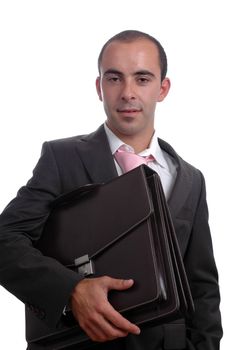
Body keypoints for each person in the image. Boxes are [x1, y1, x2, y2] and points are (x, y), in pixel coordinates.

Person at [0, 30, 222, 350]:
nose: (128, 93)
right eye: (114, 78)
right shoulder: (62, 158)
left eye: (142, 79)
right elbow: (5, 240)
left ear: (163, 88)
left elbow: (203, 287)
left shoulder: (191, 178)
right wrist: (70, 290)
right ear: (99, 86)